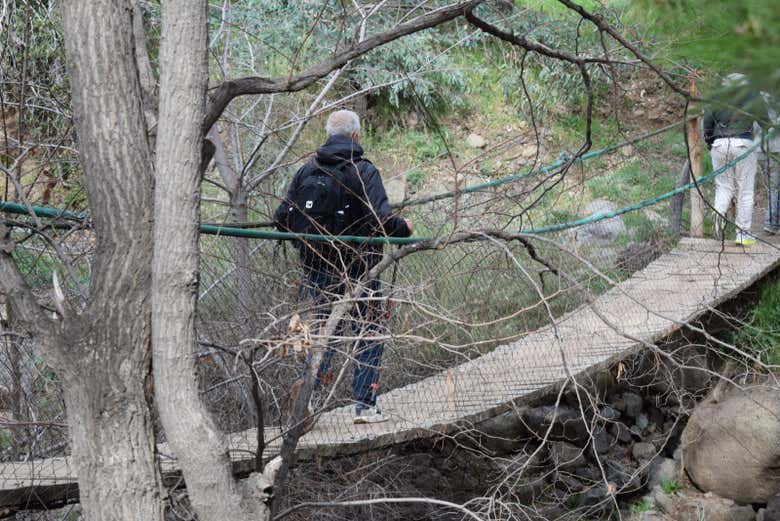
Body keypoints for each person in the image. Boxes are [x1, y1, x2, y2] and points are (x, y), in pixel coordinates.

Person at [274, 110, 412, 425]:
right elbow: (383, 222)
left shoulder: (306, 171)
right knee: (369, 331)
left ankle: (306, 403)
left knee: (325, 333)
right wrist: (405, 227)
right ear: (355, 136)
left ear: (327, 136)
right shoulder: (363, 170)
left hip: (318, 269)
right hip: (360, 269)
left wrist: (309, 242)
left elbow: (281, 217)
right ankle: (365, 406)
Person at [703, 73, 768, 246]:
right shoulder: (752, 93)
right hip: (742, 143)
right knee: (745, 190)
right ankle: (743, 234)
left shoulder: (717, 94)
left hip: (719, 144)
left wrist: (711, 144)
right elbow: (765, 121)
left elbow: (707, 122)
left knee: (724, 186)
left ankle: (719, 218)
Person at [761, 93, 780, 234]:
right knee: (774, 188)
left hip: (760, 151)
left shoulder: (756, 101)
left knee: (773, 188)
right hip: (774, 152)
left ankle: (774, 223)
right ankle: (770, 223)